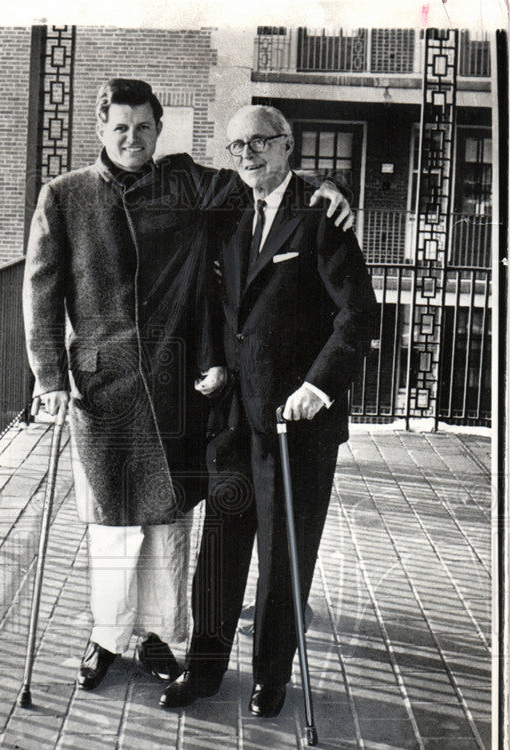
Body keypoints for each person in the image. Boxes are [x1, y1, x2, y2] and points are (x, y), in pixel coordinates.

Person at [23, 81, 352, 694]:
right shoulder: (63, 197)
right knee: (111, 520)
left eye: (143, 127)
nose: (132, 138)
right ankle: (105, 636)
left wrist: (332, 189)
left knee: (168, 517)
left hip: (176, 384)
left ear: (158, 129)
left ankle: (155, 635)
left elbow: (269, 184)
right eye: (119, 128)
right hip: (101, 387)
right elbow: (40, 291)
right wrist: (49, 375)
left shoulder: (187, 184)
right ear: (101, 129)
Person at [160, 104, 378, 715]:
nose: (248, 154)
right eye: (237, 146)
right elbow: (216, 305)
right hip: (235, 419)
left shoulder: (321, 216)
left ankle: (270, 677)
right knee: (222, 552)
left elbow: (358, 314)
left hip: (298, 424)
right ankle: (203, 673)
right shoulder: (229, 213)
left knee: (285, 555)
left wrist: (319, 384)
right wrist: (213, 362)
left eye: (260, 143)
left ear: (288, 148)